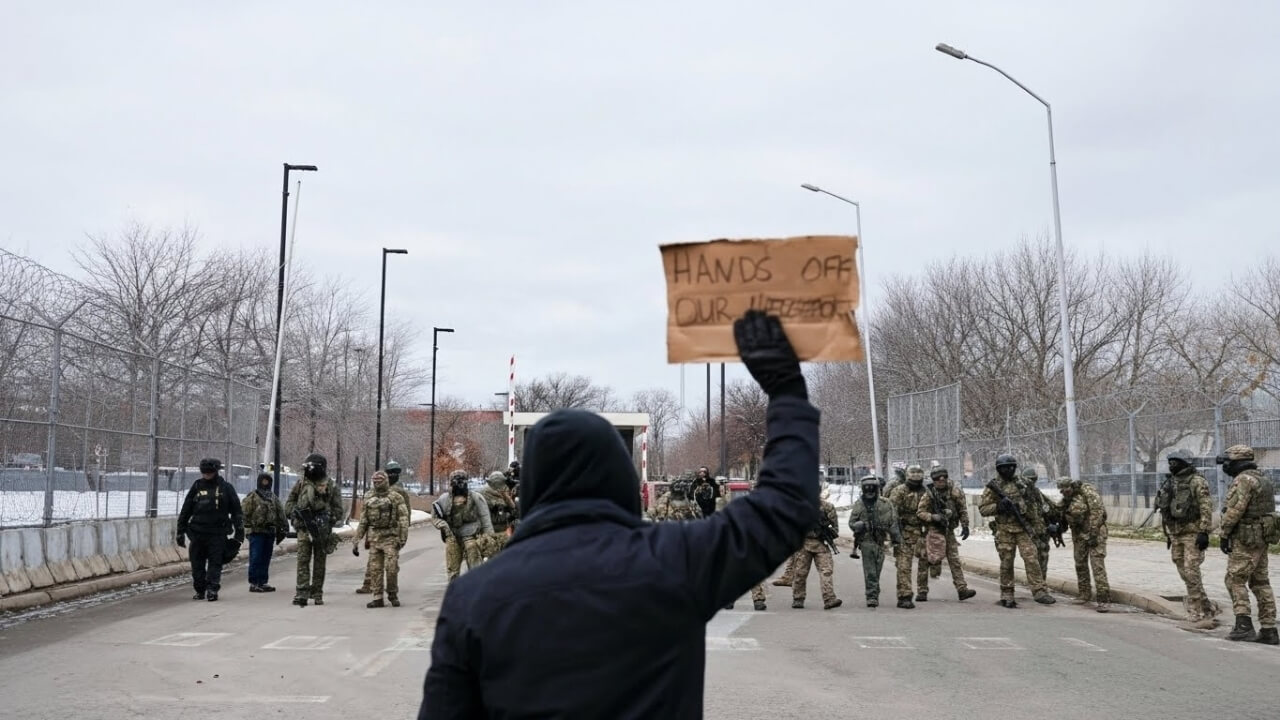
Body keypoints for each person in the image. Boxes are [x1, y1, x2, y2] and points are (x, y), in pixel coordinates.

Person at [418, 309, 820, 718]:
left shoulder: (473, 598)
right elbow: (784, 507)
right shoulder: (672, 561)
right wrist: (787, 393)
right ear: (619, 476)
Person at [1216, 444, 1278, 644]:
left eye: (1229, 462)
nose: (1226, 466)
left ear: (1239, 462)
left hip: (1246, 538)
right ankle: (1269, 629)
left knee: (1234, 579)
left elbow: (1234, 510)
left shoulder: (1243, 480)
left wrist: (1224, 534)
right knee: (1261, 582)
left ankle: (1243, 625)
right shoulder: (1263, 478)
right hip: (1261, 537)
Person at [979, 454, 1054, 608]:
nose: (1008, 470)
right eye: (1005, 468)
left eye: (1011, 467)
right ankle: (1007, 593)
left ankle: (1039, 591)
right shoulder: (993, 486)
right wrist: (999, 507)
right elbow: (983, 508)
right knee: (1006, 562)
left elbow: (1035, 505)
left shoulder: (1024, 484)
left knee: (1032, 559)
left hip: (1023, 528)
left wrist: (1038, 526)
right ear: (999, 469)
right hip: (1005, 530)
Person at [1155, 448, 1216, 628]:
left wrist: (1204, 531)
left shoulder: (1197, 481)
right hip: (1176, 533)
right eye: (1170, 462)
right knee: (1182, 568)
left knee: (1191, 570)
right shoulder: (1170, 482)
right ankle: (1206, 605)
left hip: (1192, 533)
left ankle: (1195, 612)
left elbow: (1206, 507)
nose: (1172, 465)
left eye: (1176, 462)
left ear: (1184, 463)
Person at [176, 458, 243, 602]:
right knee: (197, 565)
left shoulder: (226, 488)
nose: (206, 475)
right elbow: (186, 510)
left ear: (215, 471)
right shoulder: (197, 486)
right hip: (197, 533)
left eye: (209, 472)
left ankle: (212, 589)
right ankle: (200, 590)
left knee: (215, 563)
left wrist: (239, 532)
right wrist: (180, 531)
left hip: (217, 533)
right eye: (204, 472)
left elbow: (237, 511)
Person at [284, 453, 344, 607]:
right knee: (302, 561)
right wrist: (294, 514)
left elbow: (338, 509)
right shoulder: (301, 483)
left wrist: (328, 519)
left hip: (322, 531)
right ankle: (301, 593)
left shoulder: (330, 485)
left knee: (319, 563)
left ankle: (317, 593)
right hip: (304, 529)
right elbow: (290, 502)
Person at [916, 466, 976, 601]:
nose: (941, 479)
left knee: (954, 560)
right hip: (932, 531)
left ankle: (962, 589)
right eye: (937, 478)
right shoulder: (929, 494)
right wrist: (933, 517)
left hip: (948, 531)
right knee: (925, 560)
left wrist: (965, 525)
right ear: (934, 480)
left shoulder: (954, 492)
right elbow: (920, 513)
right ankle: (922, 591)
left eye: (943, 476)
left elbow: (962, 509)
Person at [353, 471, 410, 608]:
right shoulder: (369, 497)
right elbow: (363, 520)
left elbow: (403, 519)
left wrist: (402, 538)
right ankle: (377, 598)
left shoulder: (396, 497)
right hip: (375, 538)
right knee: (375, 569)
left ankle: (392, 593)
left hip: (391, 537)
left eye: (380, 482)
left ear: (385, 482)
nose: (377, 484)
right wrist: (357, 540)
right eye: (375, 482)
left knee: (391, 568)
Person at [1057, 477, 1111, 612]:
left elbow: (1097, 513)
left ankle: (1104, 599)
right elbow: (1059, 511)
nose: (1064, 492)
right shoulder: (1067, 499)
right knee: (1080, 563)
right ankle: (1084, 593)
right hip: (1079, 533)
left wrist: (1093, 535)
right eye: (1061, 491)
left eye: (1066, 489)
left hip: (1096, 532)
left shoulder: (1087, 492)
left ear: (1071, 486)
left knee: (1097, 565)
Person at [431, 470, 493, 582]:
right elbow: (435, 516)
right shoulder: (444, 499)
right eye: (456, 480)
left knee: (474, 560)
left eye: (462, 480)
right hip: (452, 536)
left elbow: (485, 519)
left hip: (472, 535)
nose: (459, 484)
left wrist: (488, 541)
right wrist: (443, 525)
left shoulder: (475, 497)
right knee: (453, 569)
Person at [849, 474, 901, 608]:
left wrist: (896, 540)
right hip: (866, 540)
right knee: (870, 570)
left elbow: (893, 523)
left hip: (881, 540)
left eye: (872, 487)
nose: (869, 490)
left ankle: (874, 589)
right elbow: (852, 522)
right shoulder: (859, 504)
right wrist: (857, 525)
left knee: (877, 569)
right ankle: (871, 596)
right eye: (867, 487)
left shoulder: (886, 503)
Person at [791, 488, 842, 610]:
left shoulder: (827, 507)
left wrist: (825, 531)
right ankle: (798, 598)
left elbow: (835, 530)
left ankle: (829, 599)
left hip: (821, 544)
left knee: (826, 572)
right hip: (804, 544)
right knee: (800, 573)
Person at [888, 464, 928, 608]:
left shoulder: (927, 491)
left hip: (923, 532)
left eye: (918, 480)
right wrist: (895, 535)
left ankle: (922, 591)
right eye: (913, 480)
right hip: (904, 532)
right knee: (904, 566)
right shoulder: (899, 491)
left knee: (926, 563)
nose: (916, 484)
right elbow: (892, 513)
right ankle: (904, 596)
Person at [240, 471, 287, 593]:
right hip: (256, 532)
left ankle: (263, 581)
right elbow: (244, 513)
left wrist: (283, 527)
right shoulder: (252, 496)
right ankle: (254, 582)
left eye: (267, 481)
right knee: (256, 557)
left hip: (269, 532)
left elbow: (280, 513)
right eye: (263, 481)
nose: (265, 484)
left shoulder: (273, 498)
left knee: (266, 557)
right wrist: (248, 527)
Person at [479, 470, 519, 559]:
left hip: (503, 530)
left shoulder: (503, 493)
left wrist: (506, 497)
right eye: (502, 483)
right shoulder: (482, 494)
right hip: (489, 532)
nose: (504, 485)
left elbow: (513, 509)